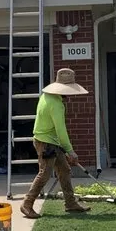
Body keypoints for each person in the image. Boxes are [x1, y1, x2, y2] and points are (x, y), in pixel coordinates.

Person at [21, 68, 91, 219]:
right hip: (46, 143)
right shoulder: (57, 105)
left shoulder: (46, 96)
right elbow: (61, 130)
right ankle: (27, 204)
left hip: (51, 141)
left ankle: (70, 203)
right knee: (44, 174)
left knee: (64, 170)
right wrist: (70, 151)